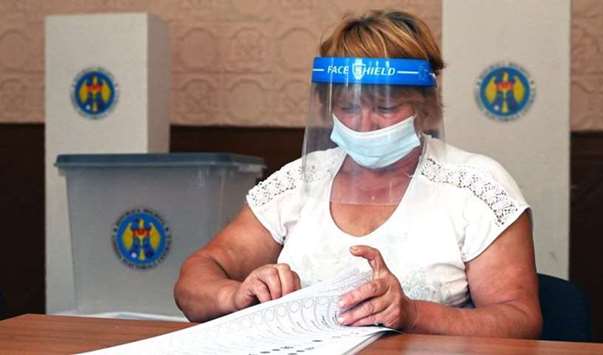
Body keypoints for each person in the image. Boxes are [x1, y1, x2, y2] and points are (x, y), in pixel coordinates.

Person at [174, 9, 542, 338]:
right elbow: (197, 277)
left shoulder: (476, 186)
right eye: (348, 107)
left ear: (427, 107)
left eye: (385, 106)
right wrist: (234, 294)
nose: (364, 124)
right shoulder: (299, 181)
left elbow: (520, 318)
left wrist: (413, 314)